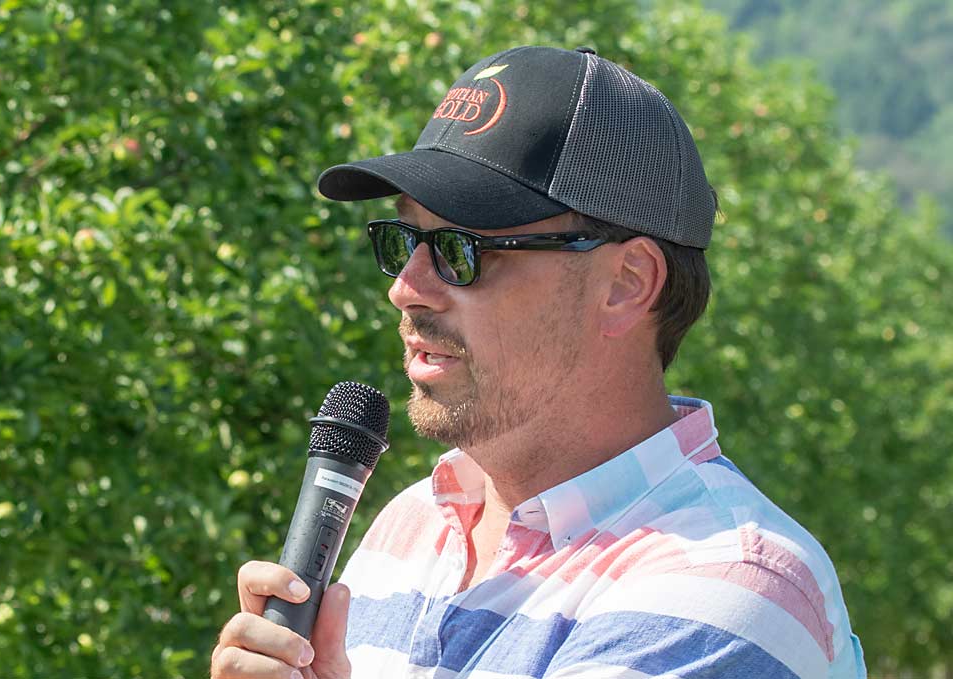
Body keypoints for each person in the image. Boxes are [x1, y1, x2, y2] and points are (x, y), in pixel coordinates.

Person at [210, 45, 866, 679]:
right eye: (401, 239)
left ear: (627, 282)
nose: (405, 287)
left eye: (460, 249)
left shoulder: (726, 585)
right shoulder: (409, 529)